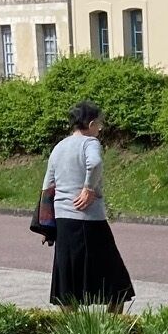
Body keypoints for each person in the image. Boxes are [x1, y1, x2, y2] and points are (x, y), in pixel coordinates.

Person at [42, 101, 135, 312]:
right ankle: (112, 329)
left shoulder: (58, 147)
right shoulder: (90, 143)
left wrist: (47, 225)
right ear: (91, 123)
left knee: (67, 282)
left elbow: (48, 186)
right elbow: (95, 163)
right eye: (99, 124)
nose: (100, 128)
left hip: (64, 222)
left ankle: (72, 333)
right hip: (89, 220)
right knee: (117, 281)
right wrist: (88, 188)